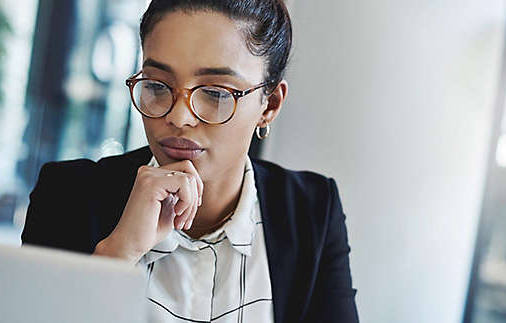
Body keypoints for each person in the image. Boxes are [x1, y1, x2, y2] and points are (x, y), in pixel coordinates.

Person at [21, 0, 359, 322]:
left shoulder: (312, 211)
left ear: (269, 106)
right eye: (157, 85)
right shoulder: (66, 196)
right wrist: (117, 255)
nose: (179, 117)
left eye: (215, 93)